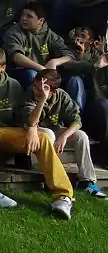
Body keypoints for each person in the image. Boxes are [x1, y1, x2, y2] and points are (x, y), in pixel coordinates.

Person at [0, 47, 74, 219]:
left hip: (11, 132)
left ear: (3, 68)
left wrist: (32, 129)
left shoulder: (13, 85)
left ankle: (63, 196)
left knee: (43, 138)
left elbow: (25, 114)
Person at [22, 69, 106, 198]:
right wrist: (42, 99)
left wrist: (64, 136)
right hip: (32, 130)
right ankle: (52, 180)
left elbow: (77, 120)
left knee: (81, 136)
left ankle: (87, 182)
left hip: (55, 129)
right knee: (48, 134)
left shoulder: (61, 95)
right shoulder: (29, 94)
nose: (36, 91)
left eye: (43, 88)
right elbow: (31, 122)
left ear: (53, 91)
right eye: (35, 86)